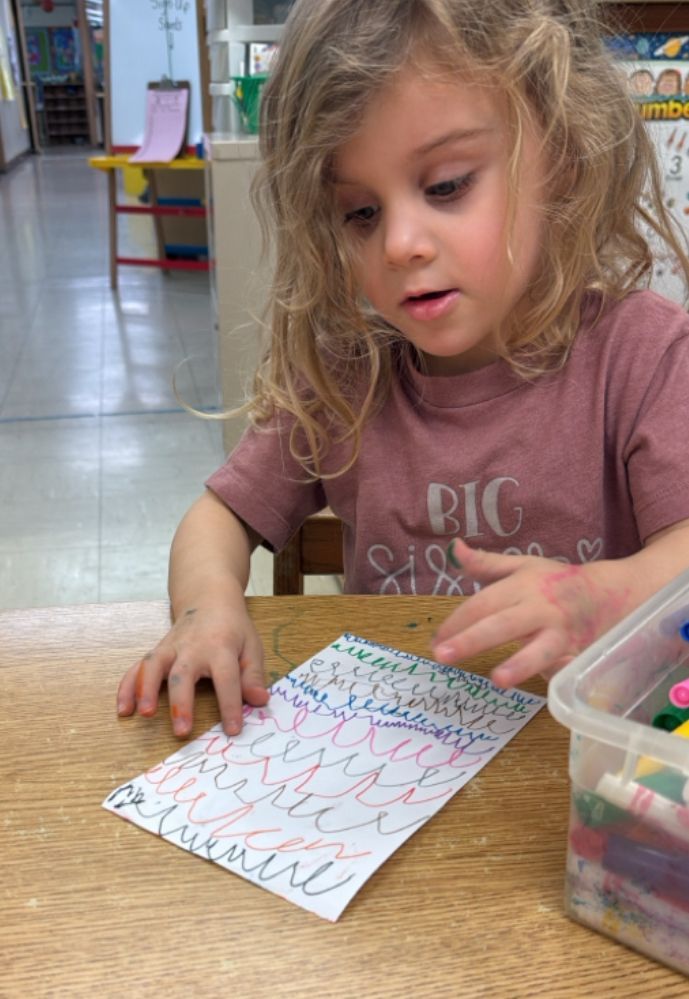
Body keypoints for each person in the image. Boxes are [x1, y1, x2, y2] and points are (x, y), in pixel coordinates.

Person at [118, 0, 689, 739]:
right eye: (359, 213)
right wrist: (207, 609)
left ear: (562, 155)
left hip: (578, 766)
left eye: (446, 184)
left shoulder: (642, 354)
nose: (399, 243)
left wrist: (609, 593)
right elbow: (217, 517)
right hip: (393, 761)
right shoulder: (346, 376)